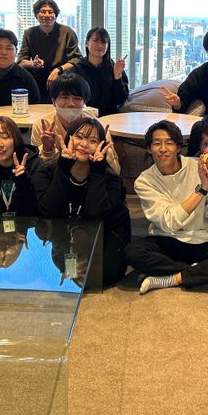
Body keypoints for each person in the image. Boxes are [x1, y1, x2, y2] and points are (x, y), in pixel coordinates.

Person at [125, 120, 208, 294]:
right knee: (132, 251)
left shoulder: (202, 167)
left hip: (202, 239)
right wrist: (201, 190)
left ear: (178, 147)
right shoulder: (144, 181)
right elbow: (170, 222)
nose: (163, 149)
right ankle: (202, 272)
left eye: (169, 143)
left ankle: (171, 278)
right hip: (167, 239)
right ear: (149, 149)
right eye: (157, 143)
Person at [34, 116, 131, 287]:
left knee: (105, 275)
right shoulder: (47, 171)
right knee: (48, 271)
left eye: (93, 141)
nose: (84, 144)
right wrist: (64, 167)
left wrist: (97, 172)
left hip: (105, 230)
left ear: (101, 145)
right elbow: (50, 211)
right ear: (68, 138)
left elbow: (96, 214)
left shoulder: (110, 178)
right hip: (63, 230)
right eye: (79, 137)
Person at [31, 72, 120, 174]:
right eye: (65, 97)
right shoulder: (42, 126)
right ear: (54, 101)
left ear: (84, 102)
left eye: (77, 98)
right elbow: (37, 171)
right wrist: (48, 150)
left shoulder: (98, 127)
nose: (71, 104)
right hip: (53, 178)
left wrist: (105, 154)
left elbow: (116, 171)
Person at [17, 0, 81, 102]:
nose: (47, 15)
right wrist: (33, 63)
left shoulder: (67, 32)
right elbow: (20, 62)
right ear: (36, 15)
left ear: (56, 15)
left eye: (50, 12)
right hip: (37, 77)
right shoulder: (29, 33)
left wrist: (58, 70)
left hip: (61, 76)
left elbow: (77, 59)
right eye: (42, 11)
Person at [71, 26, 129, 116]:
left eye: (103, 42)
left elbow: (121, 99)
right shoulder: (77, 69)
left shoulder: (114, 68)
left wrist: (117, 76)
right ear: (86, 43)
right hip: (84, 116)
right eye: (95, 40)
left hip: (110, 116)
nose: (99, 45)